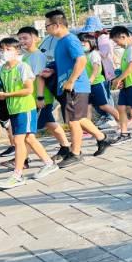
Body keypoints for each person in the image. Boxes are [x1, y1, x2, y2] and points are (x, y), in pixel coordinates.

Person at [44, 10, 110, 166]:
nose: (46, 29)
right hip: (70, 87)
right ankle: (102, 138)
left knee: (73, 121)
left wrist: (71, 81)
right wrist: (52, 69)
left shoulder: (70, 40)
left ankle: (76, 153)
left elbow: (80, 61)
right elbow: (66, 62)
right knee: (79, 119)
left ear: (57, 25)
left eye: (47, 25)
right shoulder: (61, 42)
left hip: (76, 87)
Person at [0, 38, 59, 189]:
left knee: (18, 140)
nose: (4, 52)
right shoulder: (2, 69)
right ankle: (49, 163)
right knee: (29, 138)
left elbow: (29, 90)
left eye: (8, 49)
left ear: (17, 51)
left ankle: (17, 175)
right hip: (13, 109)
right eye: (2, 49)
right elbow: (2, 88)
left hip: (25, 108)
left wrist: (8, 95)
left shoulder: (23, 67)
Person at [17, 27, 71, 161]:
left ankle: (23, 159)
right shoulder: (25, 56)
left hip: (41, 96)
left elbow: (40, 77)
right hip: (31, 96)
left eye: (25, 38)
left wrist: (40, 97)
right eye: (20, 39)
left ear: (35, 38)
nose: (22, 41)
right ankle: (66, 147)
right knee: (48, 122)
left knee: (29, 131)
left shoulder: (37, 55)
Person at [79, 34, 121, 128]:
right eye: (80, 42)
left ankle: (120, 122)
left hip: (97, 83)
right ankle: (88, 129)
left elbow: (96, 68)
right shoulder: (83, 55)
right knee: (88, 106)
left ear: (91, 43)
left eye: (84, 42)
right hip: (87, 85)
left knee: (104, 105)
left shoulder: (94, 54)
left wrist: (92, 78)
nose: (82, 44)